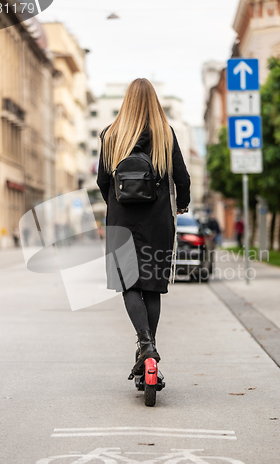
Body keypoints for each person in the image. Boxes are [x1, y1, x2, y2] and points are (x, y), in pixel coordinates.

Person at [97, 78, 190, 378]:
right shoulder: (165, 134)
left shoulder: (111, 135)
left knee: (129, 284)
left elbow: (101, 180)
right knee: (151, 286)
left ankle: (145, 344)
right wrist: (182, 205)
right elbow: (182, 178)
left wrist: (115, 203)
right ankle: (150, 353)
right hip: (158, 220)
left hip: (121, 221)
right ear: (154, 102)